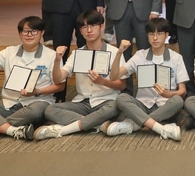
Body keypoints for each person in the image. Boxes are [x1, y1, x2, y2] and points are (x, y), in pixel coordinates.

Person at [0, 16, 65, 140]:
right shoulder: (9, 52)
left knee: (36, 111)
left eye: (34, 31)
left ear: (42, 33)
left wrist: (37, 91)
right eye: (25, 31)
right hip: (10, 103)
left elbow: (60, 86)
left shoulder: (52, 55)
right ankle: (12, 130)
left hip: (37, 102)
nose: (29, 35)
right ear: (19, 34)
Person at [34, 10, 126, 140]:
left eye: (93, 25)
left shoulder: (115, 52)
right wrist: (57, 60)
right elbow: (58, 79)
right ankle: (98, 125)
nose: (89, 30)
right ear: (80, 31)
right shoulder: (77, 54)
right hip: (82, 103)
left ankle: (67, 129)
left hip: (106, 101)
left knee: (115, 107)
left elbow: (122, 85)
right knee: (50, 110)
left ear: (101, 26)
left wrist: (103, 82)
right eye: (84, 27)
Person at [102, 18, 187, 140]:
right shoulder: (140, 55)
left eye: (159, 34)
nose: (155, 38)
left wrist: (169, 94)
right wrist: (119, 53)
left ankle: (134, 125)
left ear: (166, 35)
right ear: (147, 35)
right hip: (143, 105)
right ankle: (160, 128)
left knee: (178, 100)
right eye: (151, 34)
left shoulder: (176, 58)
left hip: (165, 106)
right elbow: (114, 76)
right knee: (121, 98)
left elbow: (183, 90)